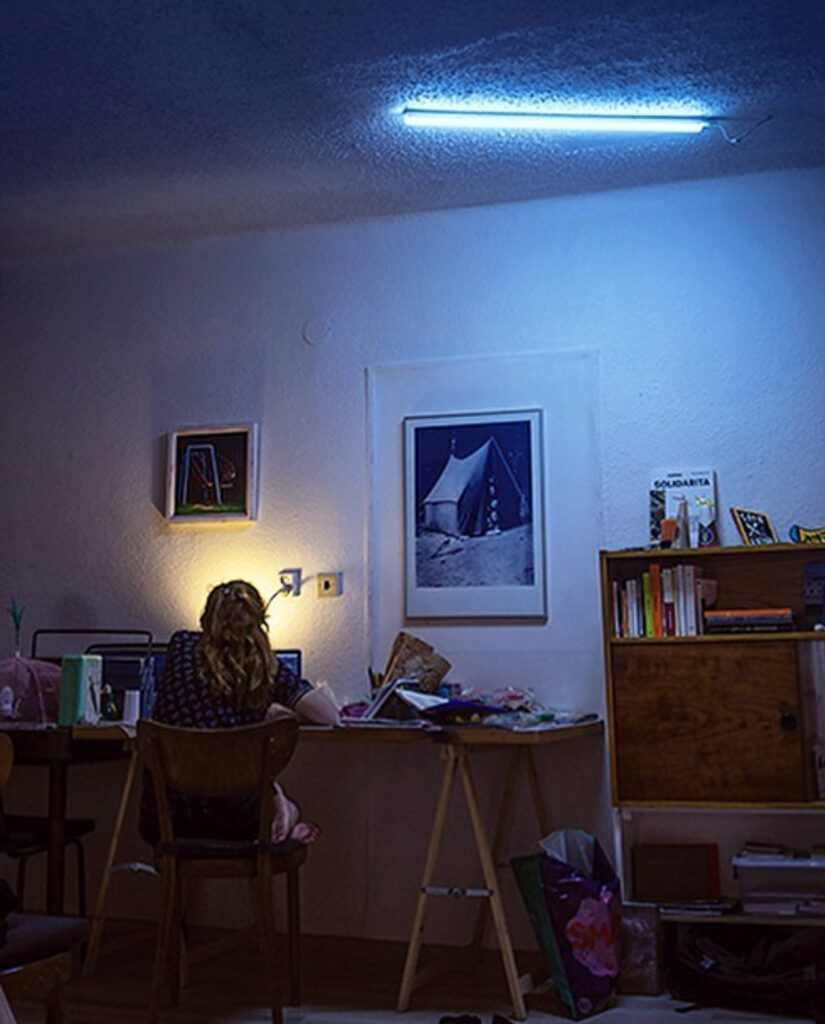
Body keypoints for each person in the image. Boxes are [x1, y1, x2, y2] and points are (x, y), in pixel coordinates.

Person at [139, 580, 338, 846]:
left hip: (167, 820)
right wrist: (277, 711)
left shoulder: (181, 645)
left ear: (206, 619)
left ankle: (279, 804)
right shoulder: (267, 668)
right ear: (259, 622)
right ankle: (282, 812)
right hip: (240, 820)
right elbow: (329, 716)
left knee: (226, 777)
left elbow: (205, 718)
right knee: (260, 791)